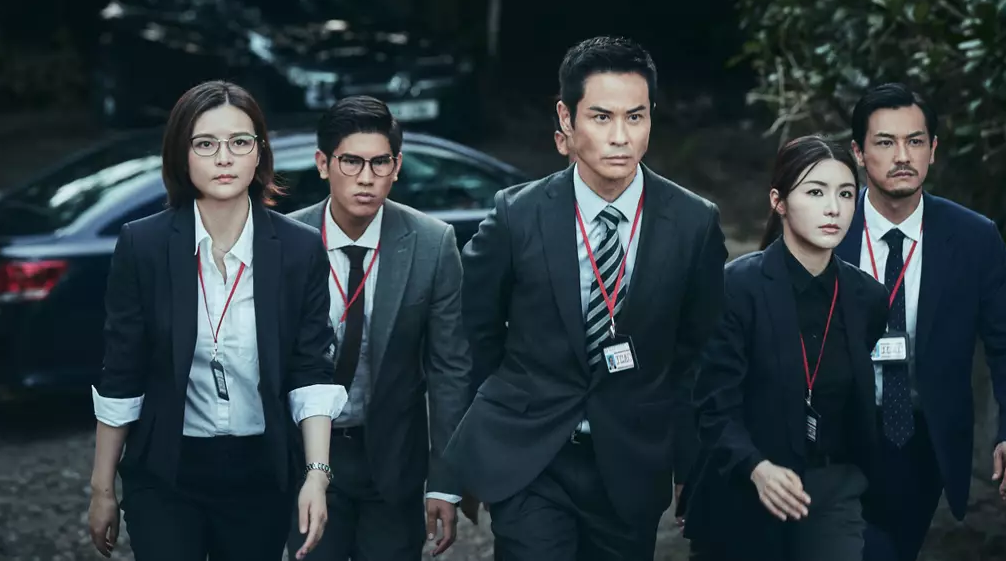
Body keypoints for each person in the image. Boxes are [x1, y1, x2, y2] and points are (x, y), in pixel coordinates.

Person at [443, 35, 727, 560]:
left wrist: (691, 462)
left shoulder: (693, 223)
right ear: (566, 119)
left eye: (635, 117)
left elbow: (698, 356)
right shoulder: (516, 215)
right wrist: (471, 451)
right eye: (601, 117)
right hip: (530, 456)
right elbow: (472, 336)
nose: (620, 136)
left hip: (630, 460)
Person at [87, 81, 346, 561]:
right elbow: (121, 371)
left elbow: (311, 370)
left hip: (260, 472)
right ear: (181, 155)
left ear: (259, 153)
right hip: (166, 469)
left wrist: (316, 474)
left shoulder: (299, 248)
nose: (224, 158)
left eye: (239, 142)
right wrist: (102, 488)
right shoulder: (143, 245)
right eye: (205, 144)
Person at [836, 83, 1006, 561]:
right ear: (858, 153)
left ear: (933, 149)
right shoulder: (828, 227)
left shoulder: (973, 238)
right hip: (835, 440)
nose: (902, 156)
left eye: (915, 141)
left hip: (920, 442)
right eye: (885, 142)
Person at [680, 135, 889, 560]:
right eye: (815, 192)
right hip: (746, 483)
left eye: (846, 194)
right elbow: (714, 405)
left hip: (832, 489)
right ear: (778, 201)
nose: (833, 208)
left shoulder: (868, 297)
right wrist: (756, 468)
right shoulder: (735, 287)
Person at [283, 95, 472, 560]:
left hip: (391, 456)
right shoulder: (285, 240)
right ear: (323, 164)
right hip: (304, 454)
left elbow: (450, 369)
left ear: (397, 166)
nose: (366, 178)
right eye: (351, 162)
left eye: (380, 162)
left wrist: (445, 482)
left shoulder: (432, 242)